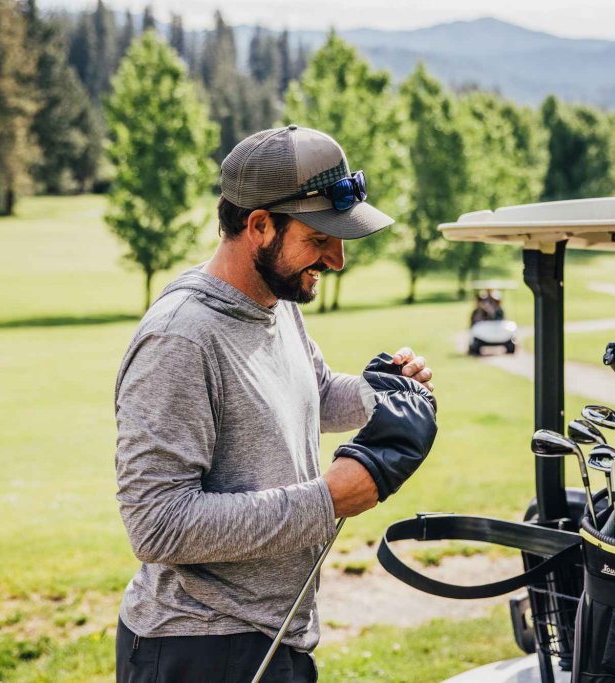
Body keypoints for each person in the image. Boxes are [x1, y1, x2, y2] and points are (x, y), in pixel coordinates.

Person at [113, 125, 435, 682]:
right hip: (199, 648)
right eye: (320, 238)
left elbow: (313, 393)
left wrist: (381, 393)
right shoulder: (180, 338)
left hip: (273, 634)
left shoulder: (276, 301)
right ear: (259, 225)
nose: (337, 260)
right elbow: (156, 524)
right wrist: (326, 500)